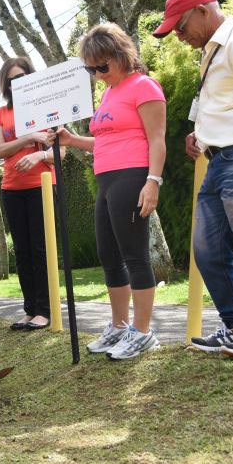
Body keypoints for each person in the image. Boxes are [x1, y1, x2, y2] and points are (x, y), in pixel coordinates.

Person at [153, 0, 233, 358]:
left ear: (205, 11)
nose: (177, 34)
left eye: (181, 25)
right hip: (218, 158)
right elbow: (229, 106)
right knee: (207, 251)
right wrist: (201, 136)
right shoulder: (213, 49)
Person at [57, 23, 167, 360]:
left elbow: (157, 139)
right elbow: (105, 140)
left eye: (102, 66)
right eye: (92, 69)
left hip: (133, 177)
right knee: (108, 254)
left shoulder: (144, 86)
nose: (98, 74)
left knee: (134, 255)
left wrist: (153, 181)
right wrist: (71, 140)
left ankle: (143, 332)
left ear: (122, 55)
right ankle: (119, 326)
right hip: (106, 181)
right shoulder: (108, 93)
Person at [0, 57, 62, 331]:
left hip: (42, 186)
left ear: (31, 77)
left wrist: (39, 156)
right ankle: (30, 309)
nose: (16, 82)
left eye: (21, 76)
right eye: (11, 79)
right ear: (5, 84)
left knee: (39, 249)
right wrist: (27, 138)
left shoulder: (48, 106)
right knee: (21, 251)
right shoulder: (2, 113)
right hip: (12, 187)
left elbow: (61, 153)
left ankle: (45, 310)